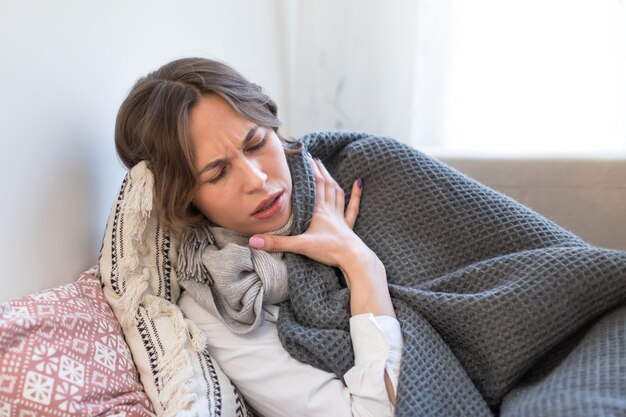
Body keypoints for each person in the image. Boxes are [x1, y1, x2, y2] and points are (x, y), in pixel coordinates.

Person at [114, 57, 403, 417]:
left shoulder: (346, 167)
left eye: (255, 144)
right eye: (218, 173)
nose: (257, 180)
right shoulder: (224, 304)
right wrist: (360, 262)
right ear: (185, 198)